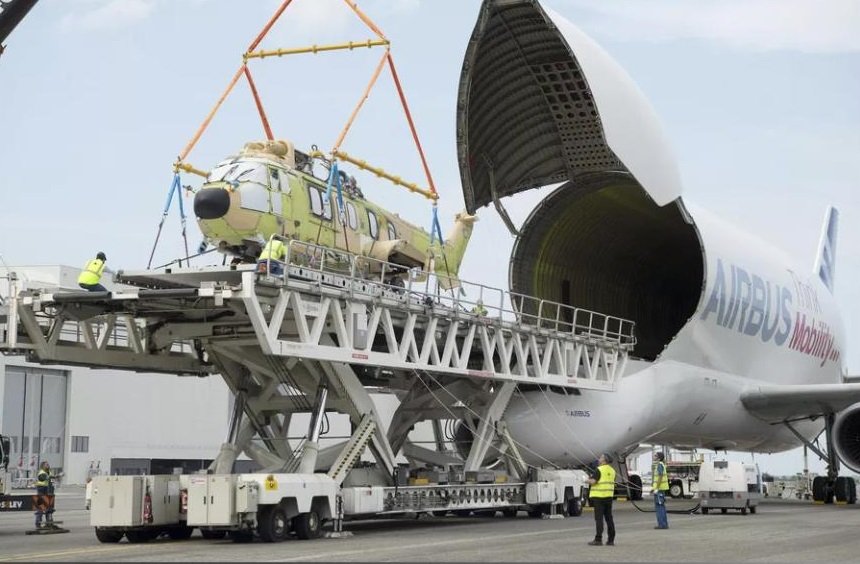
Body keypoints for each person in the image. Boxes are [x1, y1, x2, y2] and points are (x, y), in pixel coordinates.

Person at [587, 453, 616, 546]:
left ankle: (598, 539)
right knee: (609, 518)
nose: (599, 459)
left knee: (599, 519)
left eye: (600, 457)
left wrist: (585, 480)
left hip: (599, 497)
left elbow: (593, 482)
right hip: (609, 496)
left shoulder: (599, 470)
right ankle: (611, 539)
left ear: (604, 460)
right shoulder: (612, 470)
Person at [33, 461, 55, 528]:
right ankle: (38, 523)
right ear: (42, 466)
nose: (48, 465)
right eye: (46, 464)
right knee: (40, 507)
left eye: (48, 464)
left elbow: (52, 482)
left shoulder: (50, 472)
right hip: (41, 490)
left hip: (49, 491)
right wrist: (54, 477)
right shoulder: (41, 472)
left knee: (49, 508)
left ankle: (49, 522)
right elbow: (43, 478)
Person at [652, 451, 670, 529]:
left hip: (659, 490)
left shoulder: (659, 465)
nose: (654, 457)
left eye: (655, 456)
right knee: (661, 506)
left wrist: (657, 488)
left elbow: (660, 477)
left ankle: (662, 525)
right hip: (660, 489)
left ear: (659, 458)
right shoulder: (660, 465)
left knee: (659, 507)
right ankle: (664, 524)